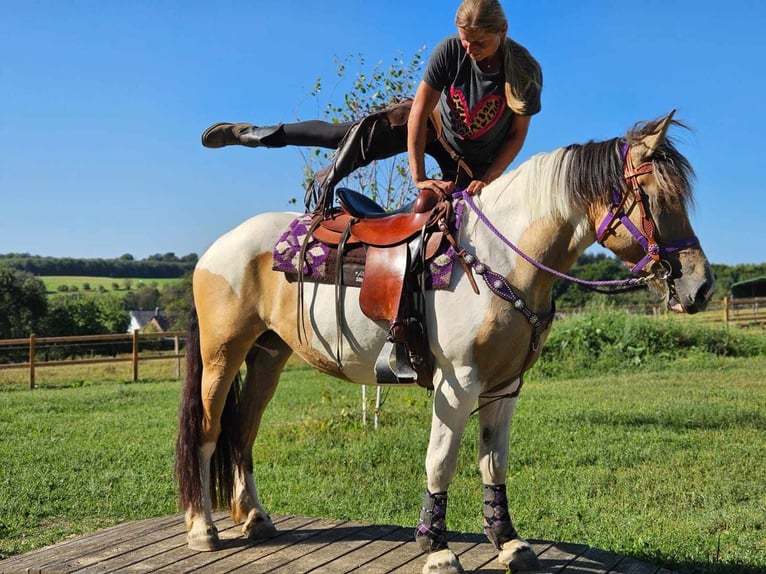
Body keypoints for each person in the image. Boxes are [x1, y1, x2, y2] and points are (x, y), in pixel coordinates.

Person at [201, 0, 541, 201]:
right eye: (466, 40)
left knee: (446, 221)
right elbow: (420, 112)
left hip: (474, 165)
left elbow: (515, 135)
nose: (470, 49)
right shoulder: (450, 50)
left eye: (478, 42)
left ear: (503, 30)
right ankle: (254, 133)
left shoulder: (524, 71)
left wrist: (493, 176)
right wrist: (418, 175)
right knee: (345, 135)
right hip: (432, 130)